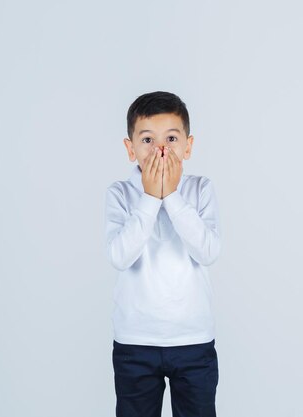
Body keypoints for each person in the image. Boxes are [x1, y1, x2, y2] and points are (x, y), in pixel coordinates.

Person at [104, 91, 222, 417]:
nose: (160, 149)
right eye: (147, 139)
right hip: (135, 342)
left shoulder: (200, 190)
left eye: (171, 138)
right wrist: (150, 197)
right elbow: (119, 256)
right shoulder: (120, 194)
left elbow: (208, 251)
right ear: (130, 149)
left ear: (188, 146)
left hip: (193, 340)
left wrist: (171, 196)